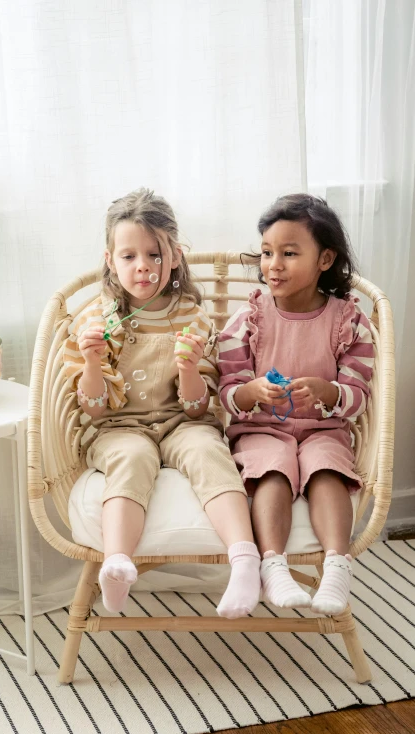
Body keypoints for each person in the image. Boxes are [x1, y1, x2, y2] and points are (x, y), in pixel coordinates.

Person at [63, 188, 261, 618]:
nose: (143, 267)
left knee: (208, 448)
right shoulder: (98, 319)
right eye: (129, 256)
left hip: (180, 422)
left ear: (174, 256)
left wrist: (190, 369)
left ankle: (245, 559)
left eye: (154, 254)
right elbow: (94, 410)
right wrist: (93, 363)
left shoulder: (191, 316)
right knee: (131, 458)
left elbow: (196, 410)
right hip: (119, 426)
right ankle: (117, 563)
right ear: (110, 260)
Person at [218, 194, 373, 615]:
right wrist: (252, 392)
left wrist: (328, 392)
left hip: (323, 428)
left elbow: (358, 394)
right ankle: (273, 564)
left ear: (324, 259)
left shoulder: (348, 320)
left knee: (328, 470)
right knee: (273, 472)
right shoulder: (249, 317)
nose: (274, 265)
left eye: (289, 253)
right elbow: (227, 390)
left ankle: (337, 566)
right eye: (267, 253)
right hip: (262, 429)